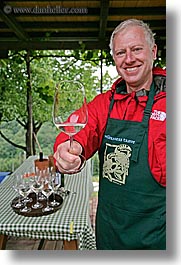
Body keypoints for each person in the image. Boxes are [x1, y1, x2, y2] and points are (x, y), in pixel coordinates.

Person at [53, 19, 166, 250]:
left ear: (153, 51)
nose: (129, 59)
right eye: (121, 52)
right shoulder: (105, 103)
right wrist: (66, 148)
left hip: (160, 233)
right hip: (110, 229)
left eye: (136, 49)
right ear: (114, 58)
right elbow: (77, 126)